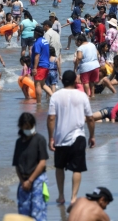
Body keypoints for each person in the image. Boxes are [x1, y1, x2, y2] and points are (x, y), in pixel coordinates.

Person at [48, 70, 95, 205]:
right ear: (75, 81)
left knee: (59, 167)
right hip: (78, 137)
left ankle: (61, 196)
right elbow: (90, 118)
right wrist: (92, 136)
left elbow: (51, 118)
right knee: (77, 168)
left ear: (63, 81)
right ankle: (74, 197)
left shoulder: (55, 96)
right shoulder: (82, 96)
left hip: (60, 137)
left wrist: (51, 138)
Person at [12, 112, 49, 221]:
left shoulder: (39, 139)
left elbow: (42, 163)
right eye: (26, 127)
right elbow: (17, 165)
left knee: (38, 213)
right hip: (23, 181)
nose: (29, 129)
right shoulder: (19, 142)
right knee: (23, 213)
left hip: (38, 180)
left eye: (30, 127)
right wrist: (23, 181)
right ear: (21, 127)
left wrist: (30, 180)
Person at [74, 34, 100, 99]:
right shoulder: (92, 44)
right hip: (95, 65)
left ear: (79, 41)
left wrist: (75, 67)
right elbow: (98, 54)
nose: (76, 43)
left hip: (86, 67)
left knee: (86, 82)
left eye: (76, 41)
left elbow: (79, 58)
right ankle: (93, 95)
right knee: (92, 82)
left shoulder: (80, 48)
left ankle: (87, 96)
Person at [30, 26, 51, 104]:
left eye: (34, 32)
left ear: (37, 33)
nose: (33, 33)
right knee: (42, 85)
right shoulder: (45, 41)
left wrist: (34, 68)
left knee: (37, 85)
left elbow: (37, 55)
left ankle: (38, 103)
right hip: (46, 65)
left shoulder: (37, 42)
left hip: (40, 66)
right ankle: (53, 96)